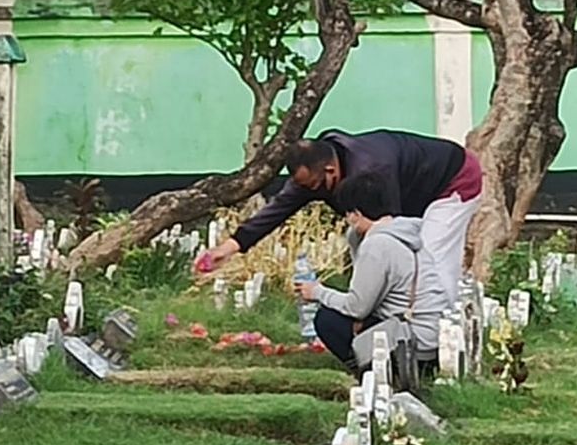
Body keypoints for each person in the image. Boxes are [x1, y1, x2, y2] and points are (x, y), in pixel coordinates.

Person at [201, 128, 482, 303]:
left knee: (431, 259)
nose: (308, 192)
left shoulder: (373, 168)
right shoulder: (312, 176)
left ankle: (438, 335)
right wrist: (228, 248)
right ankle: (372, 306)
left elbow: (392, 232)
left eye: (312, 187)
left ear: (331, 172)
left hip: (453, 182)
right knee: (358, 238)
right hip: (412, 191)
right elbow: (276, 210)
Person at [294, 171, 448, 372]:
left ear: (356, 214)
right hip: (433, 337)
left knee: (328, 320)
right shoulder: (404, 233)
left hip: (413, 344)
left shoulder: (377, 245)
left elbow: (357, 307)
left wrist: (317, 292)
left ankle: (368, 370)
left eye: (348, 214)